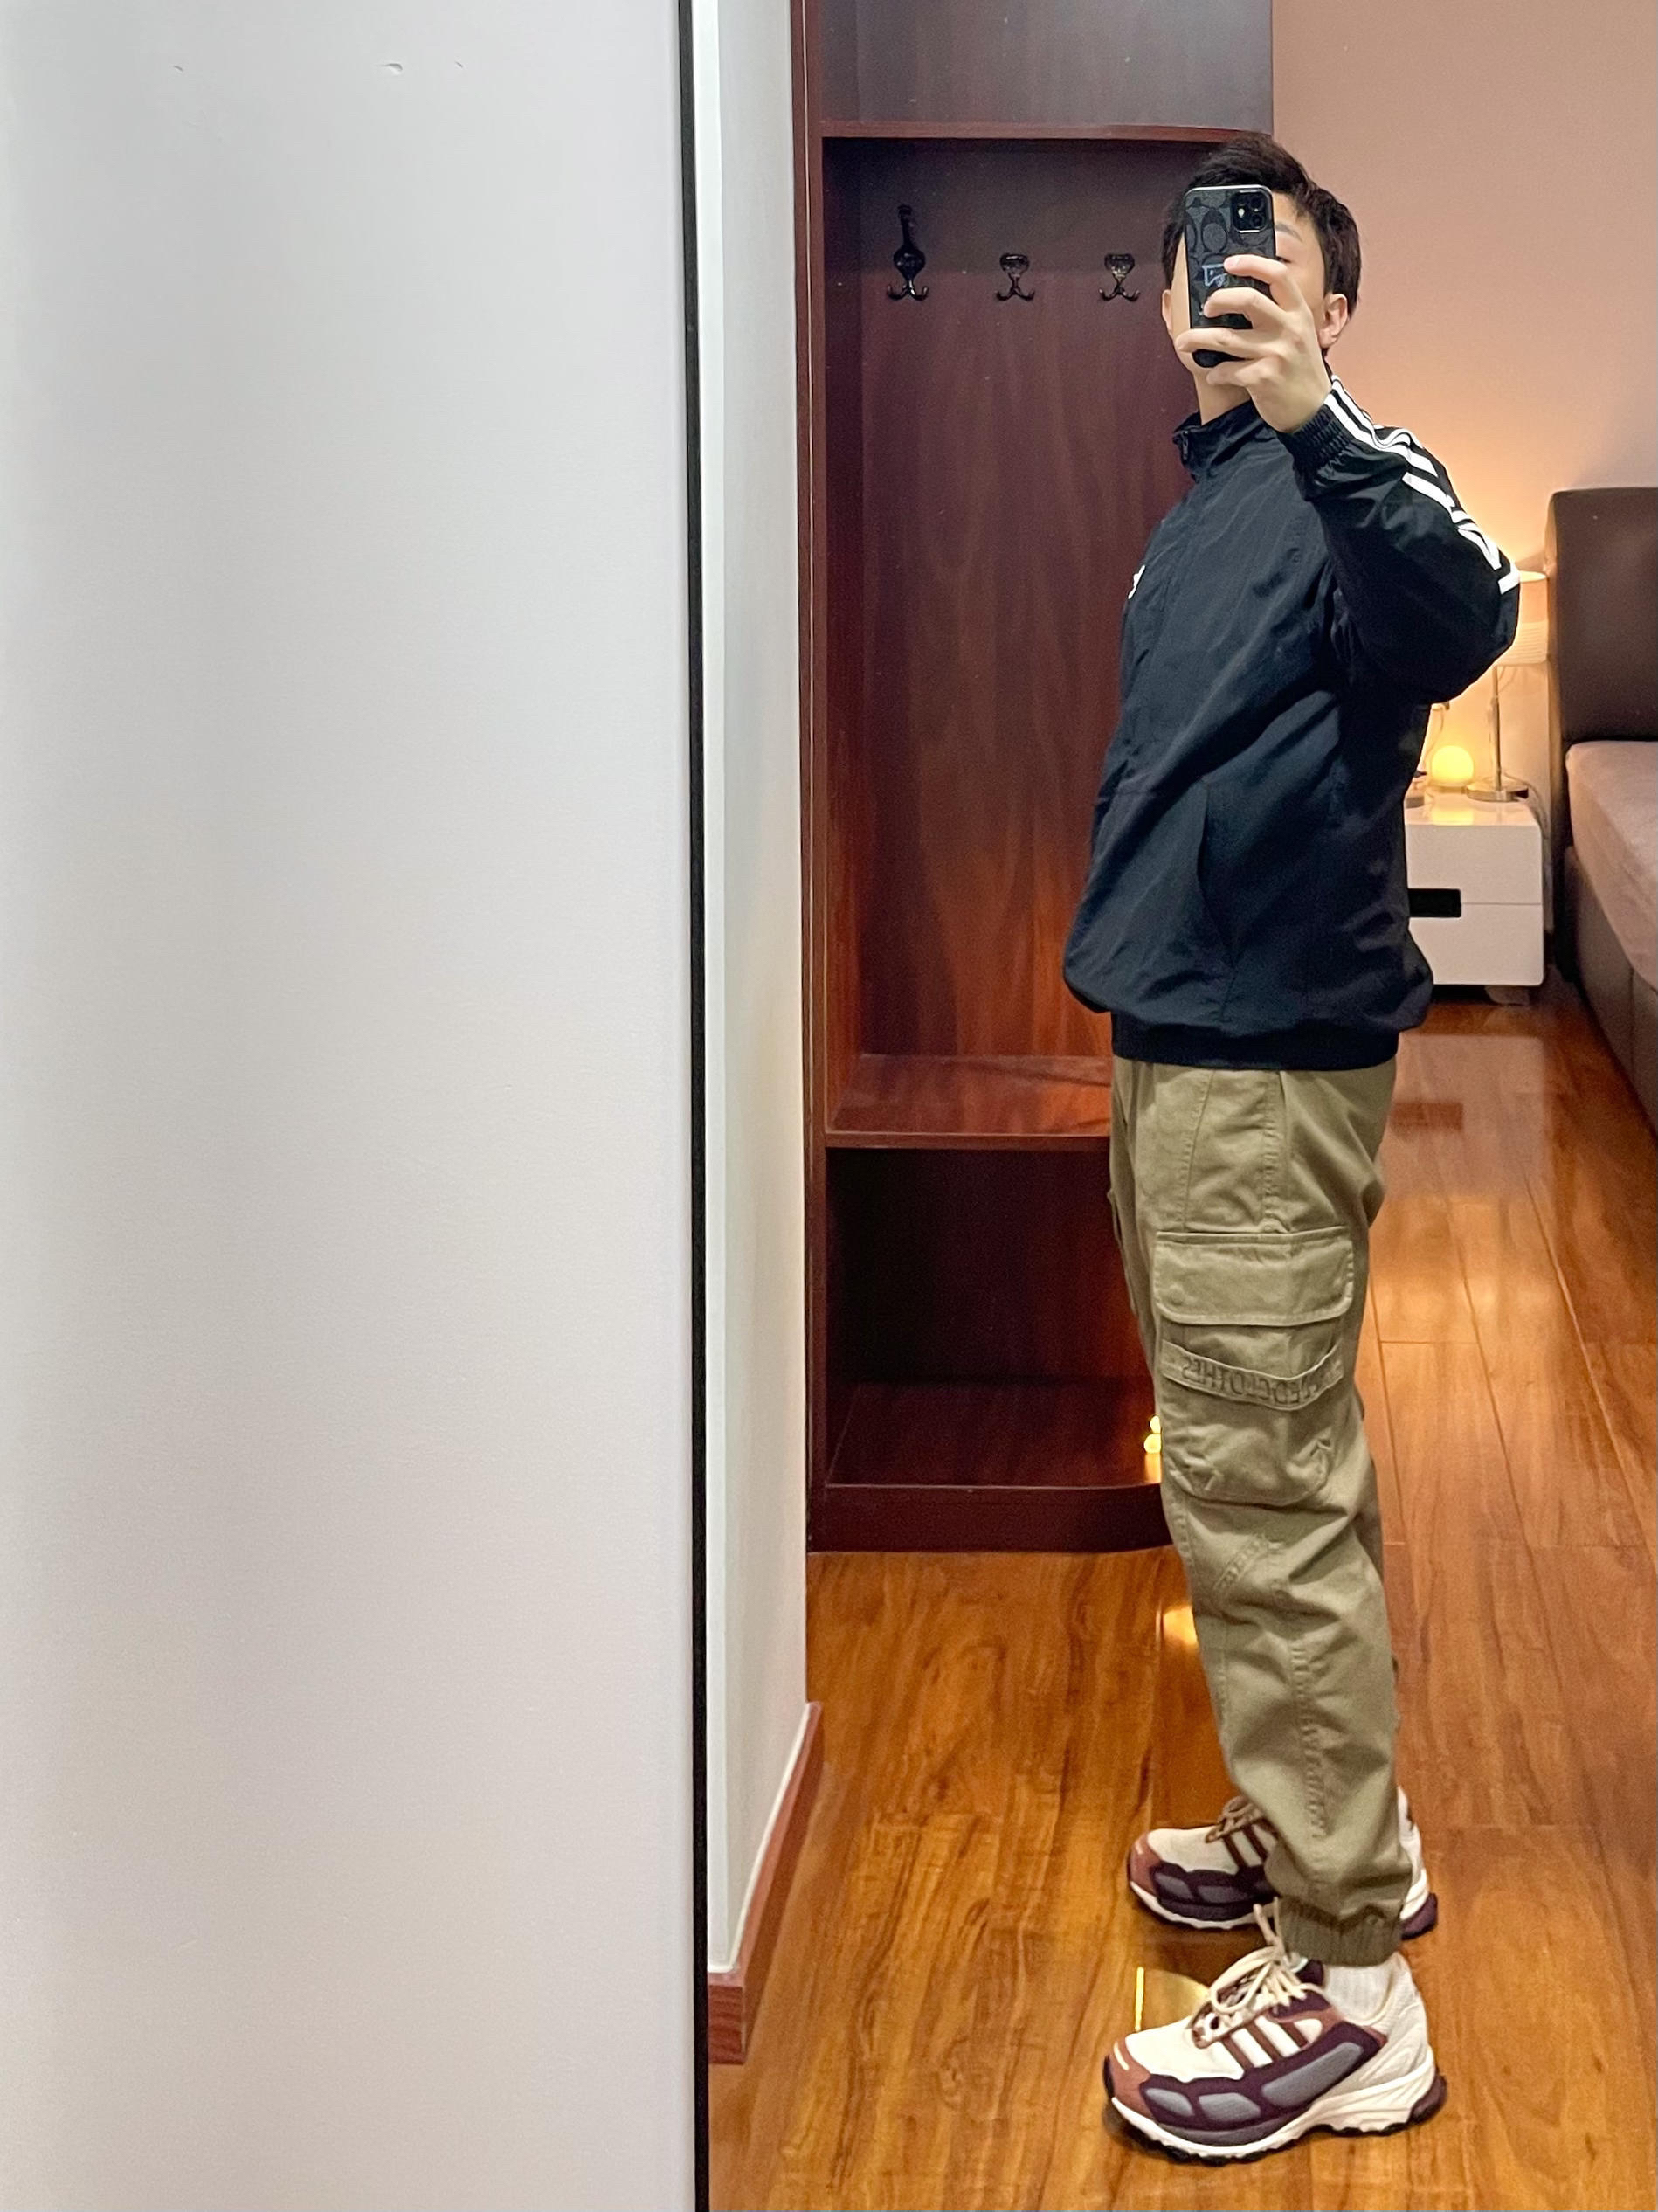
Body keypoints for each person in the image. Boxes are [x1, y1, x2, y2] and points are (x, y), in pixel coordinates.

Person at [1061, 133, 1517, 2162]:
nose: (1227, 289)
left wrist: (1324, 420)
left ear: (1331, 304)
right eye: (1200, 264)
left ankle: (1352, 1991)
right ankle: (1327, 1824)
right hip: (1178, 1039)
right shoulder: (1202, 508)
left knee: (1258, 1488)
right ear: (1167, 304)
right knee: (1255, 1466)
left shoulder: (1355, 473)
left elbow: (1465, 609)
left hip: (1261, 1062)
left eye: (1273, 265)